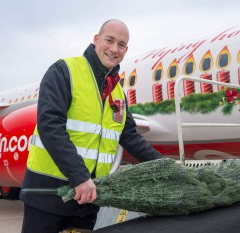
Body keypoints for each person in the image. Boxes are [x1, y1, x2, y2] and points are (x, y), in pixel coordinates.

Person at [20, 19, 162, 233]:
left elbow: (130, 137)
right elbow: (50, 126)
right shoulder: (64, 71)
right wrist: (80, 177)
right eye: (109, 40)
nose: (114, 49)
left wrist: (165, 166)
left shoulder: (117, 92)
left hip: (88, 201)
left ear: (126, 50)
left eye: (121, 45)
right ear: (96, 40)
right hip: (48, 195)